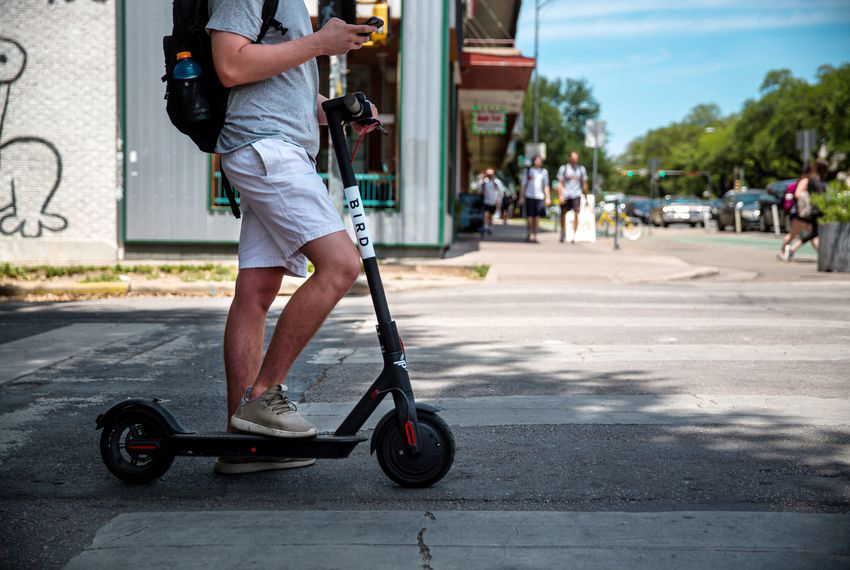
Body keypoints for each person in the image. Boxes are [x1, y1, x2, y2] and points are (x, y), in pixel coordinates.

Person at [207, 1, 378, 474]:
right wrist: (321, 42)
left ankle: (241, 443)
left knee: (256, 291)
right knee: (342, 265)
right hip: (265, 147)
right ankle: (262, 396)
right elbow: (230, 64)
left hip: (278, 144)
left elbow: (279, 91)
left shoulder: (292, 6)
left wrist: (337, 111)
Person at [778, 159, 828, 261]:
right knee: (794, 234)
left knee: (813, 234)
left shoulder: (815, 180)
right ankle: (783, 252)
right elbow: (797, 194)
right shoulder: (806, 180)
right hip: (801, 213)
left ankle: (822, 255)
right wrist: (808, 200)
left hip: (808, 214)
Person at [556, 151, 589, 243]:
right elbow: (560, 183)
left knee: (576, 213)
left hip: (576, 194)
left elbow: (584, 183)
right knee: (563, 213)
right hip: (566, 194)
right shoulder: (564, 168)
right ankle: (563, 232)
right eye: (573, 157)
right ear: (569, 158)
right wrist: (561, 195)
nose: (575, 159)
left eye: (576, 158)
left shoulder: (581, 169)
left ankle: (574, 235)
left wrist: (586, 197)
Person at [521, 155, 550, 242]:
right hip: (529, 196)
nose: (538, 162)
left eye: (540, 160)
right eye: (537, 160)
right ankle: (529, 232)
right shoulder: (528, 171)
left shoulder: (544, 172)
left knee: (537, 217)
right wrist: (521, 197)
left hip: (540, 197)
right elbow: (523, 185)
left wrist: (548, 197)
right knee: (530, 216)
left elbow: (546, 186)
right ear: (533, 161)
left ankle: (535, 235)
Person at [478, 168, 504, 234]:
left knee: (491, 215)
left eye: (491, 174)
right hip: (486, 201)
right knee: (486, 214)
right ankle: (486, 227)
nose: (489, 175)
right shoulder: (484, 182)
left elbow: (501, 192)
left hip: (493, 202)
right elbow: (479, 189)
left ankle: (490, 227)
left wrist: (499, 200)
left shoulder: (496, 182)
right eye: (488, 174)